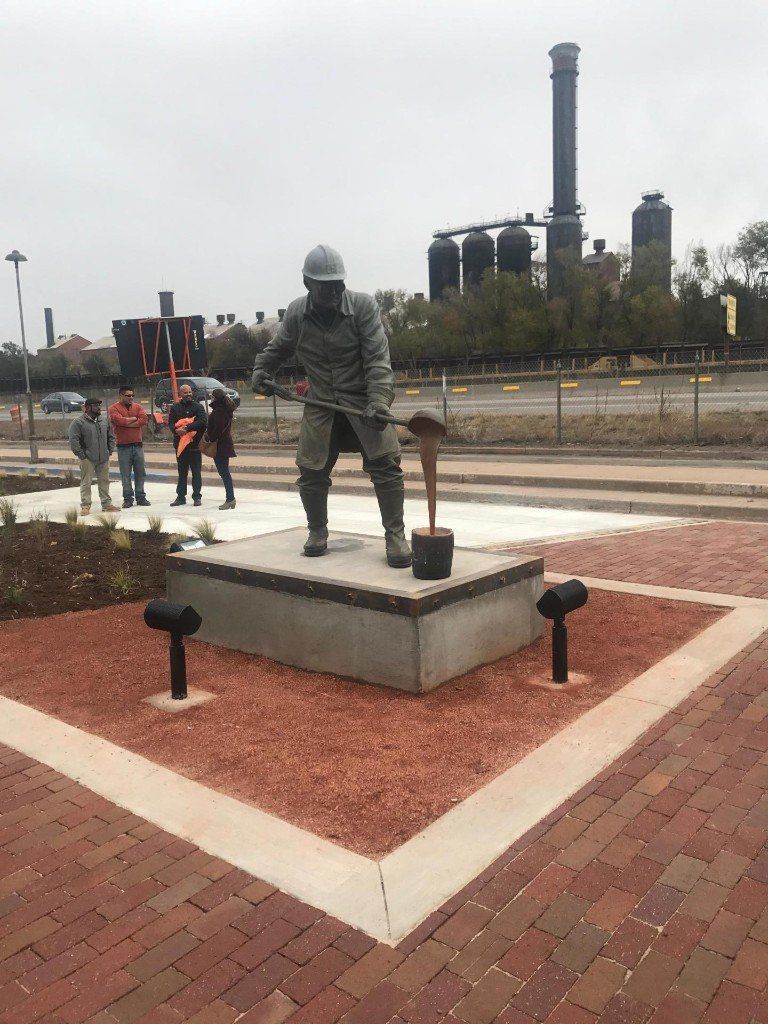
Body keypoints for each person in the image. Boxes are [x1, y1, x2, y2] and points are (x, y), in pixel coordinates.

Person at [252, 244, 410, 568]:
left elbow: (379, 360)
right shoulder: (297, 312)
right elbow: (277, 348)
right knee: (310, 471)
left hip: (363, 404)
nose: (335, 290)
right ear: (309, 283)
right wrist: (261, 372)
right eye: (327, 285)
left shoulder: (363, 306)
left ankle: (395, 535)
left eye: (339, 283)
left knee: (387, 467)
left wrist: (379, 401)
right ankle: (317, 530)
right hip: (321, 406)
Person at [68, 397, 119, 516]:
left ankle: (106, 504)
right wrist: (82, 455)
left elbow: (111, 436)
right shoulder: (78, 422)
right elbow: (73, 440)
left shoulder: (103, 421)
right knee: (86, 482)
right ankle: (85, 505)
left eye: (99, 405)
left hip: (103, 458)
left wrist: (109, 450)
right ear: (88, 408)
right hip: (88, 458)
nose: (98, 408)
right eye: (95, 405)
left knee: (104, 481)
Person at [108, 385, 150, 508]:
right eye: (128, 395)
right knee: (125, 474)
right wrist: (134, 420)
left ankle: (141, 497)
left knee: (140, 473)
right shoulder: (113, 408)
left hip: (138, 446)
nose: (131, 397)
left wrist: (128, 422)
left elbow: (144, 420)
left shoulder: (138, 407)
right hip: (123, 447)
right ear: (121, 396)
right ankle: (128, 498)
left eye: (132, 395)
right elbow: (119, 421)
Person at [168, 383, 207, 507]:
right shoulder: (175, 408)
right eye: (185, 392)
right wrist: (176, 430)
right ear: (180, 394)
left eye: (190, 392)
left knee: (196, 472)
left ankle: (197, 497)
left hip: (195, 445)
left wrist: (187, 428)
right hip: (180, 446)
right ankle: (180, 497)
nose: (189, 394)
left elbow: (202, 422)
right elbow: (171, 424)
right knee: (182, 472)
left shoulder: (198, 407)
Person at [204, 388, 237, 510]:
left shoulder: (219, 411)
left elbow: (217, 430)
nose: (211, 399)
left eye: (212, 397)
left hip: (220, 446)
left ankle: (230, 499)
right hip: (225, 445)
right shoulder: (225, 409)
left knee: (224, 473)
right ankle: (230, 499)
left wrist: (210, 438)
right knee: (224, 473)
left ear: (215, 398)